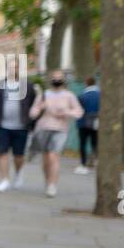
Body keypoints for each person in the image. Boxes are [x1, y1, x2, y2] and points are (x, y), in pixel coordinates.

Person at [28, 69, 84, 197]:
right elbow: (32, 113)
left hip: (60, 130)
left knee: (54, 156)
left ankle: (53, 185)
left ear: (64, 80)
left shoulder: (69, 96)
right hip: (43, 128)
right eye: (54, 78)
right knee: (46, 159)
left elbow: (79, 112)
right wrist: (40, 107)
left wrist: (66, 112)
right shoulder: (44, 95)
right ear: (50, 80)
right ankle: (48, 182)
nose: (57, 80)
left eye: (59, 78)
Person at [0, 74, 35, 191]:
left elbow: (33, 105)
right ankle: (4, 180)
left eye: (15, 67)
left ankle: (18, 173)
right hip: (2, 126)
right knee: (2, 152)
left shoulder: (28, 86)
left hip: (21, 126)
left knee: (18, 155)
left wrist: (31, 124)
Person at [75, 75, 100, 174]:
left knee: (83, 144)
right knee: (95, 143)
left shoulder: (82, 96)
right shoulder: (101, 95)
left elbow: (78, 110)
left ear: (86, 83)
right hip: (96, 122)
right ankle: (97, 161)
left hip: (83, 123)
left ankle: (83, 164)